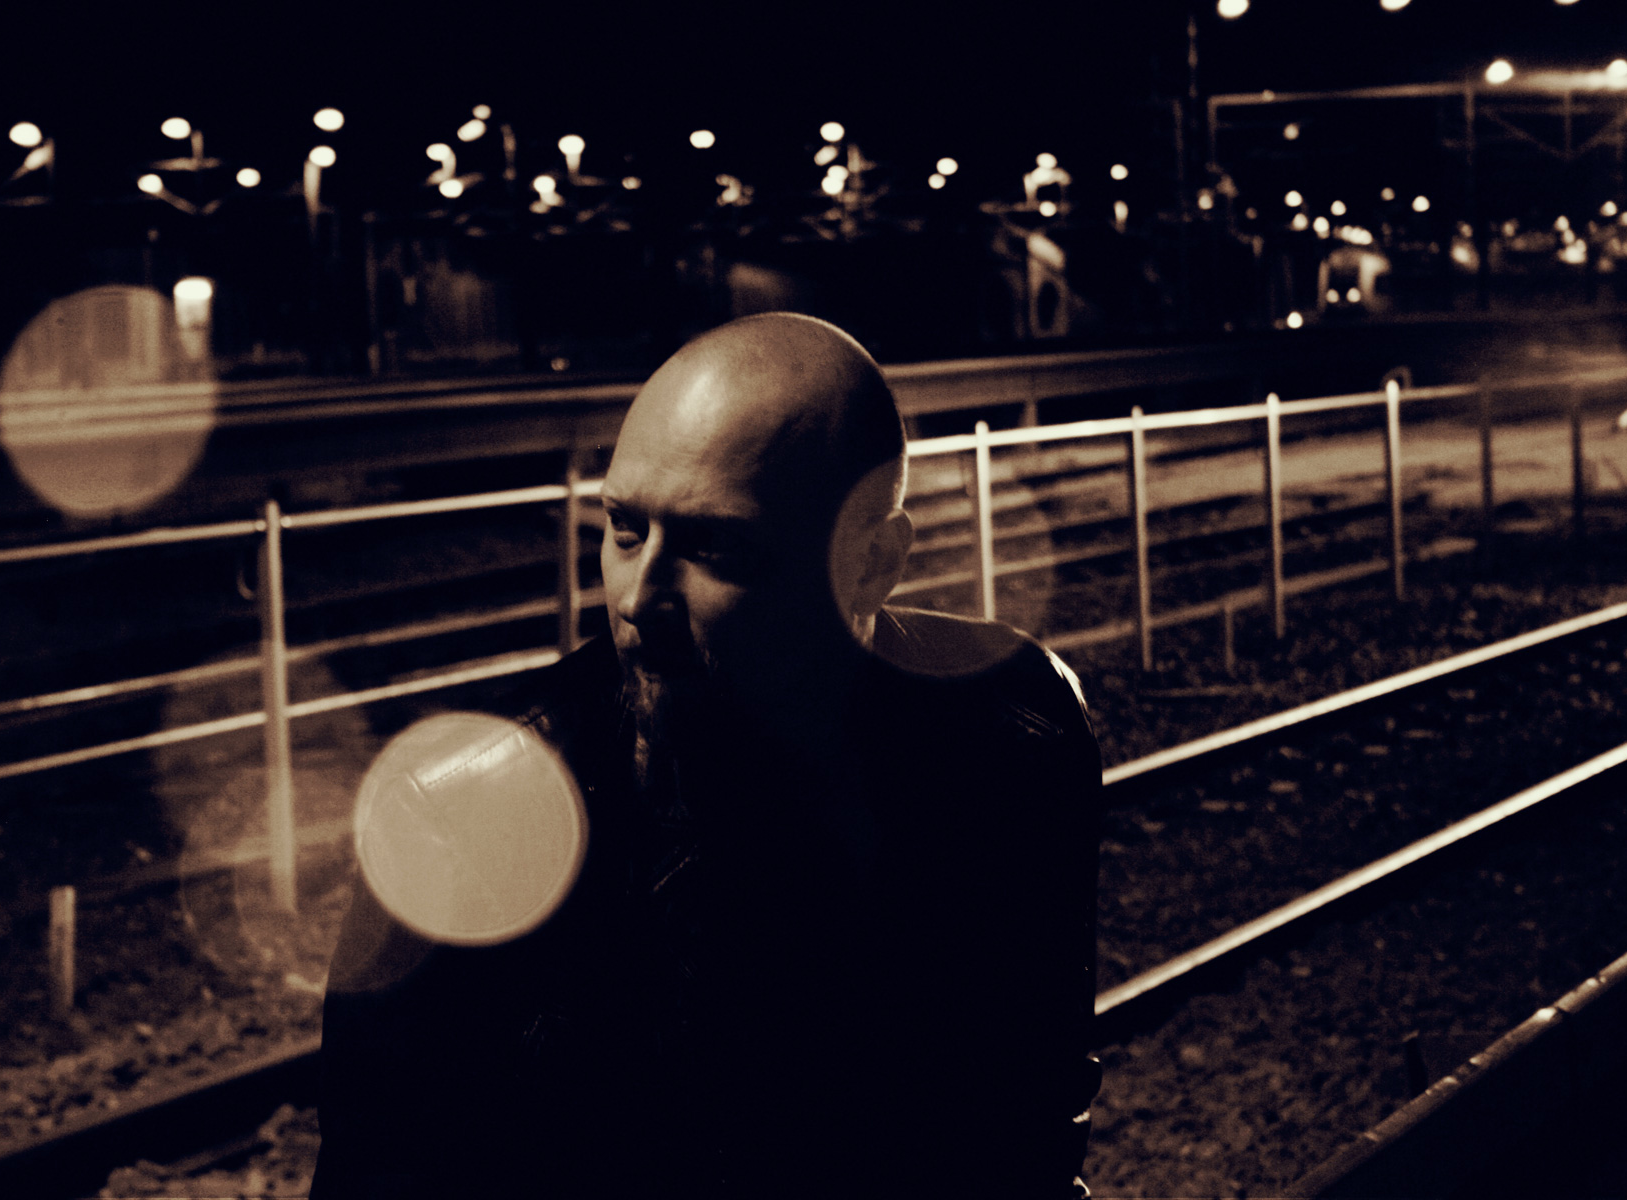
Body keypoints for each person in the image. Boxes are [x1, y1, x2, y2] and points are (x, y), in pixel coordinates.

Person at [312, 313, 1102, 1197]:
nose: (637, 598)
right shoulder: (457, 817)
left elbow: (1032, 1120)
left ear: (872, 565)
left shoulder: (1016, 734)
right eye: (623, 529)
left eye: (710, 545)